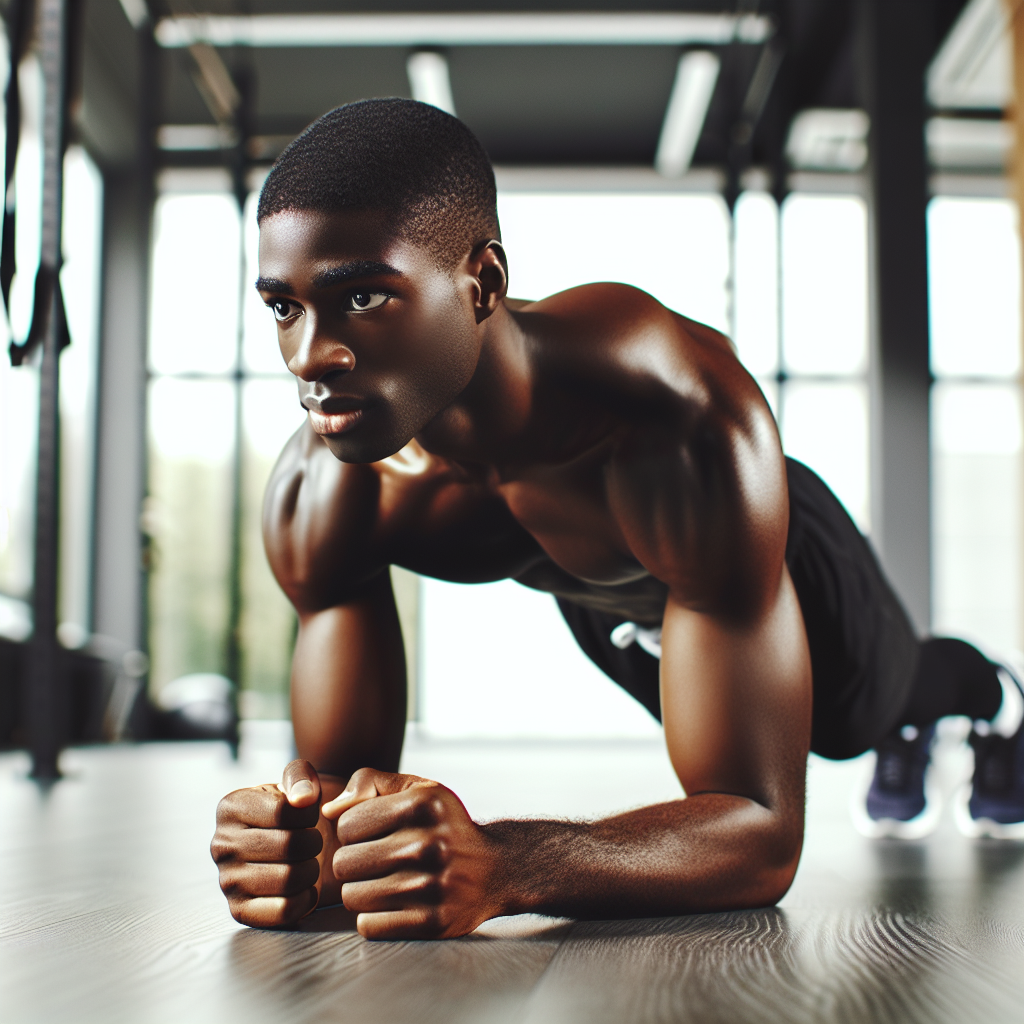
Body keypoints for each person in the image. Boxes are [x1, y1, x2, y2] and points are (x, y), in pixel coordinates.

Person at [210, 98, 1024, 940]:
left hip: (742, 534)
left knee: (854, 721)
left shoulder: (672, 417)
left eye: (366, 299)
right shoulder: (329, 490)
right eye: (284, 307)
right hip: (613, 605)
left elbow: (762, 837)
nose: (310, 356)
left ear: (482, 283)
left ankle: (987, 695)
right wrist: (293, 850)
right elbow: (342, 809)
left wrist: (506, 864)